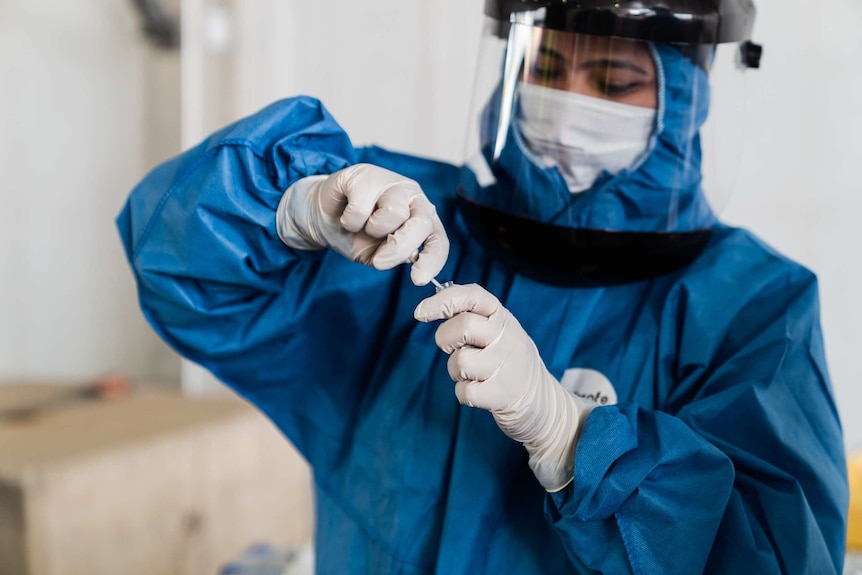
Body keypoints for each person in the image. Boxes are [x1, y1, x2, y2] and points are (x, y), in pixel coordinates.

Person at [117, 1, 849, 573]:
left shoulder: (752, 308)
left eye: (613, 81)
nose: (566, 102)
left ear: (688, 94)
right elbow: (176, 263)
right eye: (545, 65)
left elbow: (772, 556)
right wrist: (294, 209)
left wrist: (573, 436)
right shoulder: (406, 227)